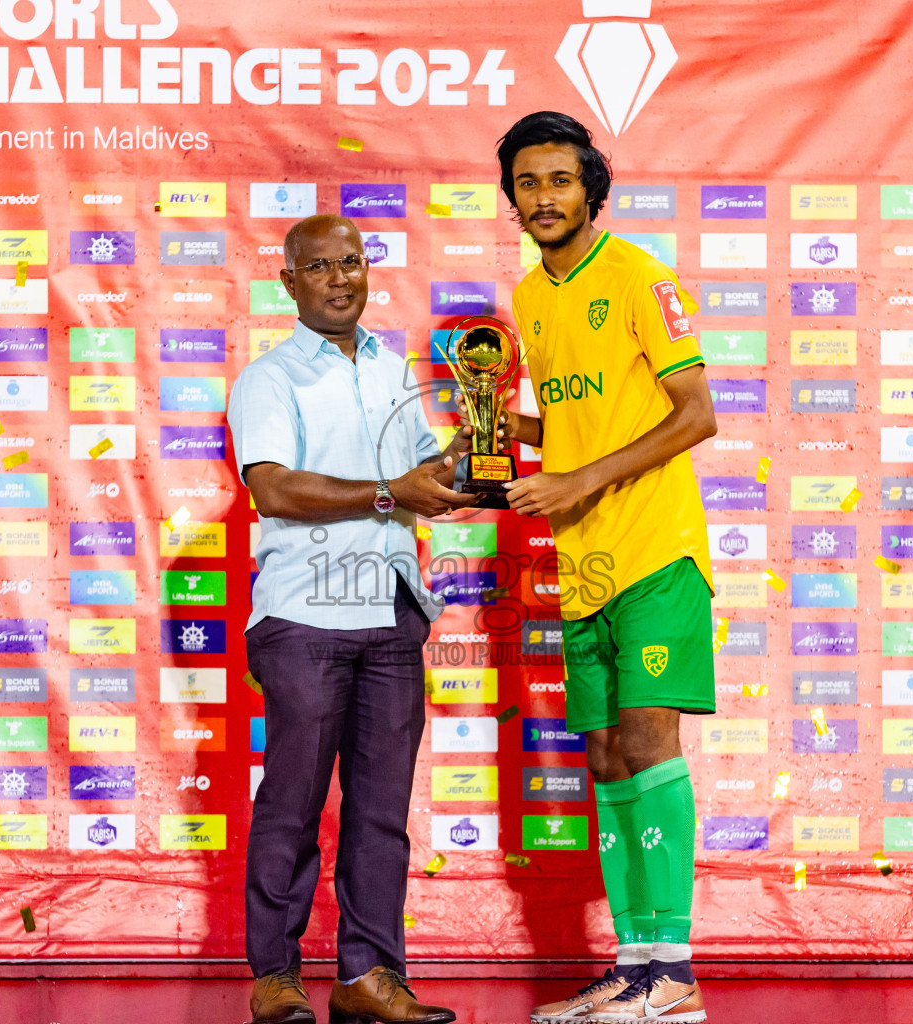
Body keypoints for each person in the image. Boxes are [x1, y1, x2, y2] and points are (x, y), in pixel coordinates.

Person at [495, 111, 718, 1024]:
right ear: (510, 197)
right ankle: (634, 967)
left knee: (649, 741)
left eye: (559, 180)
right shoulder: (527, 299)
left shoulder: (637, 274)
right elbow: (582, 429)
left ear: (592, 186)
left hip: (657, 553)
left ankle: (675, 971)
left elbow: (697, 413)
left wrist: (579, 475)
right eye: (527, 183)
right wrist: (509, 435)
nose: (543, 198)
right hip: (579, 566)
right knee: (603, 752)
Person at [227, 214, 473, 1024]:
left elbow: (427, 475)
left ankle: (370, 976)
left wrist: (476, 451)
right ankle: (276, 975)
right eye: (320, 267)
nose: (341, 278)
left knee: (379, 812)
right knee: (293, 804)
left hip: (393, 611)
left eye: (352, 263)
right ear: (289, 283)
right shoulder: (269, 379)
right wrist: (386, 494)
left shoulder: (396, 370)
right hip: (304, 614)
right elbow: (274, 489)